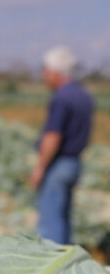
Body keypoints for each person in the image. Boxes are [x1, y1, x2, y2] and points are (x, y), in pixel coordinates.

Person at [30, 46, 94, 244]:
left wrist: (40, 167)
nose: (45, 77)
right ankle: (65, 261)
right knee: (63, 217)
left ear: (57, 73)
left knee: (50, 221)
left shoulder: (62, 98)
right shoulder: (84, 95)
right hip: (75, 163)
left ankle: (53, 266)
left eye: (46, 72)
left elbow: (53, 136)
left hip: (58, 164)